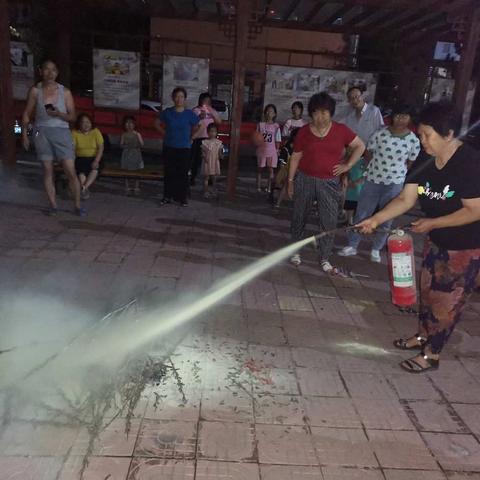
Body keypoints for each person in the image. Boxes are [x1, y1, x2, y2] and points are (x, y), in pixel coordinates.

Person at [357, 102, 480, 373]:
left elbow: (475, 210)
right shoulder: (425, 158)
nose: (421, 140)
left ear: (448, 134)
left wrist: (433, 221)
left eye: (427, 135)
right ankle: (422, 337)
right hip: (436, 241)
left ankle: (432, 354)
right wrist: (376, 218)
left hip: (465, 247)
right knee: (427, 293)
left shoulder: (469, 162)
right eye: (420, 134)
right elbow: (405, 198)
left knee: (446, 303)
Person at [287, 92, 365, 274]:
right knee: (299, 216)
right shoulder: (304, 131)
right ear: (311, 114)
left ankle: (324, 257)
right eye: (316, 113)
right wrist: (290, 181)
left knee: (328, 221)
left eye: (324, 112)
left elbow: (360, 146)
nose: (320, 117)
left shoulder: (341, 130)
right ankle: (295, 251)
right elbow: (296, 157)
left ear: (331, 113)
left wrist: (348, 165)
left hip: (329, 182)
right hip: (305, 179)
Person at [339, 104, 420, 262]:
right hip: (373, 180)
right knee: (362, 213)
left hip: (394, 184)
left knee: (386, 217)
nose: (400, 119)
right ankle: (352, 245)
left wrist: (398, 172)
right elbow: (368, 151)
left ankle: (376, 249)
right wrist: (373, 166)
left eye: (404, 116)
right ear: (392, 116)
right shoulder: (380, 133)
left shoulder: (413, 140)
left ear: (410, 119)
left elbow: (411, 162)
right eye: (397, 115)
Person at [21, 59, 84, 216]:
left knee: (70, 170)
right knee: (47, 170)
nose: (50, 73)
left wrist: (59, 114)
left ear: (57, 72)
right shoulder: (36, 91)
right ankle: (53, 205)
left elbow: (73, 117)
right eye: (47, 69)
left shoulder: (65, 92)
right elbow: (27, 114)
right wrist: (25, 135)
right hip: (41, 132)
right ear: (41, 71)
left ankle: (77, 205)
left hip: (61, 132)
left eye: (53, 70)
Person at [342, 86, 384, 224]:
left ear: (362, 96)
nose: (355, 100)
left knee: (370, 184)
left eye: (357, 96)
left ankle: (371, 217)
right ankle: (351, 217)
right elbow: (349, 137)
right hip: (356, 154)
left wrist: (373, 153)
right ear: (349, 101)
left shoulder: (374, 111)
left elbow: (381, 132)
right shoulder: (350, 116)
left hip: (372, 154)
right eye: (352, 98)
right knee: (354, 185)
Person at [155, 87, 200, 206]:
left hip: (184, 148)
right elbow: (156, 123)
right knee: (169, 172)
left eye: (181, 97)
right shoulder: (168, 112)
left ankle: (182, 198)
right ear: (173, 98)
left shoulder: (189, 114)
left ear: (185, 99)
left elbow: (200, 126)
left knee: (183, 173)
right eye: (177, 96)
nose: (179, 99)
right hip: (169, 146)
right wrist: (164, 133)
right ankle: (167, 196)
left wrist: (192, 137)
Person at [191, 93, 222, 186]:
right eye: (204, 100)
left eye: (208, 101)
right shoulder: (196, 110)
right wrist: (199, 117)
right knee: (196, 159)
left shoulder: (212, 110)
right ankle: (192, 177)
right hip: (198, 137)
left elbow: (219, 122)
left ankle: (210, 179)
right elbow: (191, 124)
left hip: (210, 139)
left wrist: (212, 112)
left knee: (210, 160)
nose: (206, 103)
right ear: (200, 101)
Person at [72, 113, 104, 200]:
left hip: (94, 157)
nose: (86, 124)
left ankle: (84, 188)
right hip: (80, 157)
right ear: (79, 124)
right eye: (83, 122)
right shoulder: (75, 133)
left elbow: (101, 147)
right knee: (81, 170)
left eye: (88, 122)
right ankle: (84, 190)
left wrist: (96, 160)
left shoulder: (96, 131)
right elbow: (73, 148)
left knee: (94, 168)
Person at [256, 104, 281, 193]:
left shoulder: (276, 126)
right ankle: (258, 186)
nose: (268, 113)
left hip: (272, 150)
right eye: (267, 111)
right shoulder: (260, 125)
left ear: (274, 114)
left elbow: (278, 139)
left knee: (271, 169)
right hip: (261, 150)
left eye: (270, 111)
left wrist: (277, 149)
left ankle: (269, 187)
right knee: (260, 169)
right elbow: (256, 136)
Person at [274, 127, 300, 209]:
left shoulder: (302, 147)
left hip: (299, 170)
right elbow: (282, 162)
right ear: (294, 137)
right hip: (288, 170)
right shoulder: (287, 148)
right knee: (285, 185)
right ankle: (278, 203)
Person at [120, 116, 144, 195]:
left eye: (131, 123)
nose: (129, 125)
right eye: (127, 123)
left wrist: (136, 145)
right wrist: (126, 146)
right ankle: (127, 186)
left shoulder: (137, 134)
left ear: (134, 125)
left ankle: (136, 186)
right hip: (126, 154)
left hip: (136, 154)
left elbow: (142, 144)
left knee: (137, 170)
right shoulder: (124, 134)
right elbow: (121, 144)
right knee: (126, 170)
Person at [201, 123, 223, 199]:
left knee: (214, 177)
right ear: (207, 132)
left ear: (217, 132)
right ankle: (205, 191)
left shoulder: (219, 142)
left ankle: (214, 190)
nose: (212, 133)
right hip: (207, 162)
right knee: (206, 177)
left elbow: (220, 153)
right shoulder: (205, 142)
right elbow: (202, 153)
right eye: (211, 131)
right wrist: (204, 157)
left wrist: (221, 156)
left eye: (214, 131)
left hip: (215, 162)